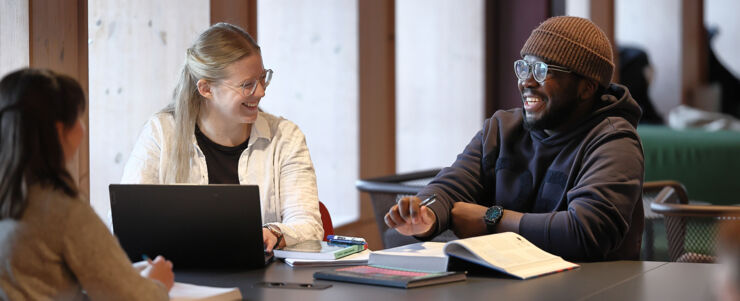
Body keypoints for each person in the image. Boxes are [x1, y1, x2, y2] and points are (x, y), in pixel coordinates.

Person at [385, 16, 645, 261]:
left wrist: (492, 219)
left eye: (543, 70)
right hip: (511, 282)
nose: (527, 82)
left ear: (586, 87)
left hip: (594, 287)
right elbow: (453, 186)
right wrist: (427, 214)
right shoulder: (502, 128)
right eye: (524, 68)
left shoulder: (614, 140)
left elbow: (588, 231)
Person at [121, 23, 323, 252]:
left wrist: (274, 232)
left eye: (263, 78)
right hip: (178, 278)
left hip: (262, 279)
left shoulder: (286, 137)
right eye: (247, 85)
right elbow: (128, 220)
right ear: (206, 89)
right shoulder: (160, 132)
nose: (261, 92)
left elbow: (309, 225)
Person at [0, 68, 174, 300]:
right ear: (59, 131)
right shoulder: (63, 211)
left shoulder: (11, 199)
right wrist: (157, 283)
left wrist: (124, 274)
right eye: (79, 118)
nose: (83, 128)